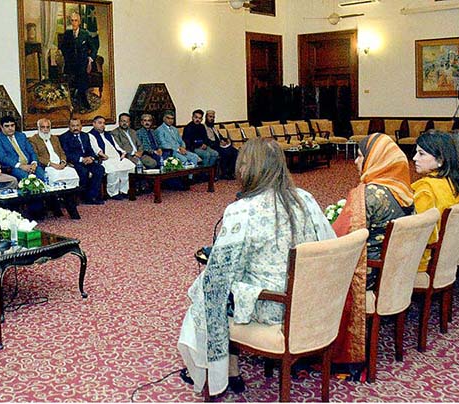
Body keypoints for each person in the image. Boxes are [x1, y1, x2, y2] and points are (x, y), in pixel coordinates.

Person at [177, 138, 335, 396]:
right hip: (311, 301)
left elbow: (219, 275)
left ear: (247, 169)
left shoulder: (243, 210)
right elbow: (329, 245)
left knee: (207, 290)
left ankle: (219, 370)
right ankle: (231, 367)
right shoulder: (305, 199)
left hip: (275, 307)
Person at [333, 133, 414, 279]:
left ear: (374, 159)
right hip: (397, 269)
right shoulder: (404, 190)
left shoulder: (366, 194)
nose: (355, 162)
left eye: (360, 156)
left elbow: (341, 238)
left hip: (370, 273)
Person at [412, 132, 459, 271]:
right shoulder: (454, 182)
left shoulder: (426, 188)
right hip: (448, 253)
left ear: (440, 159)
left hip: (424, 260)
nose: (414, 158)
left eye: (421, 154)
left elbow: (423, 234)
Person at [59, 118, 106, 205]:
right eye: (73, 126)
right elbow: (67, 153)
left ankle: (92, 196)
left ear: (81, 126)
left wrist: (91, 158)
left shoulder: (85, 136)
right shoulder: (64, 137)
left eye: (77, 125)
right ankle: (84, 197)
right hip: (74, 162)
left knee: (99, 169)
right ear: (69, 127)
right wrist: (81, 159)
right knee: (83, 172)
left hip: (88, 160)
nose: (75, 128)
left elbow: (90, 150)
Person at [88, 116, 135, 200]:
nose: (102, 125)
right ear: (94, 124)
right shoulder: (90, 135)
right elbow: (95, 148)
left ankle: (124, 190)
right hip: (105, 159)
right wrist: (101, 154)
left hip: (116, 157)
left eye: (103, 123)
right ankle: (113, 193)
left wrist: (123, 152)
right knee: (113, 170)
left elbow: (116, 146)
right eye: (100, 123)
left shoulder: (108, 134)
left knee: (130, 166)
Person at [28, 118, 80, 189]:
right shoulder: (33, 140)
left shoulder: (54, 138)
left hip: (60, 165)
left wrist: (63, 162)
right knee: (55, 176)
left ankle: (70, 196)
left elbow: (61, 152)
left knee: (72, 173)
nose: (45, 129)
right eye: (43, 127)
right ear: (38, 128)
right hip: (48, 166)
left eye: (48, 127)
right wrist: (51, 164)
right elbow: (36, 156)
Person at [60, 12, 97, 111]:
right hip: (71, 64)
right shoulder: (67, 34)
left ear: (79, 22)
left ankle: (83, 103)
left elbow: (94, 48)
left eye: (76, 20)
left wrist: (90, 59)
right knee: (72, 83)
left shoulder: (85, 34)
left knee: (81, 82)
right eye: (72, 20)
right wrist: (67, 57)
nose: (74, 23)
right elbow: (63, 48)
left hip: (82, 64)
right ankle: (75, 102)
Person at [0, 116, 47, 181]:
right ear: (1, 127)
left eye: (12, 125)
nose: (10, 128)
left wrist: (34, 163)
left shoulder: (21, 136)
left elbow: (31, 152)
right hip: (14, 167)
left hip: (30, 165)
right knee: (29, 180)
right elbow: (3, 158)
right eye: (7, 126)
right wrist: (20, 166)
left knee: (44, 176)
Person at [204, 110, 238, 180]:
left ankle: (230, 172)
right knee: (226, 152)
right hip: (212, 147)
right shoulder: (203, 128)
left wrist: (226, 140)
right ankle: (224, 173)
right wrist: (218, 143)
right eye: (210, 117)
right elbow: (206, 140)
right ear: (206, 117)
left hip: (219, 146)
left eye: (213, 117)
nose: (212, 119)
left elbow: (219, 137)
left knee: (235, 151)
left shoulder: (214, 127)